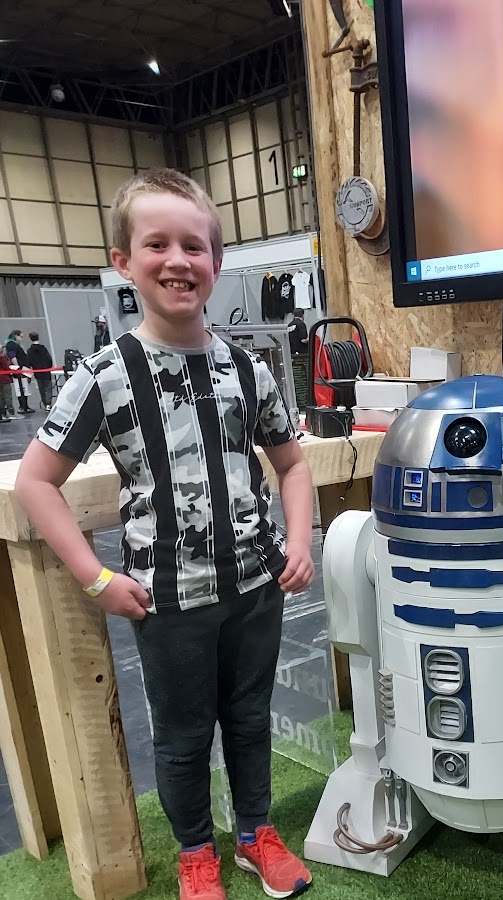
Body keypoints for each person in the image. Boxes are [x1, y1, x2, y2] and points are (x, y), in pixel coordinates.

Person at [15, 168, 317, 900]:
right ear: (124, 260)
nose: (178, 260)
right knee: (182, 737)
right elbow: (35, 481)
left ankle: (255, 835)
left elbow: (293, 464)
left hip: (255, 589)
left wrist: (300, 542)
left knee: (249, 719)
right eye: (157, 245)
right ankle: (194, 853)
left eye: (194, 245)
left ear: (217, 260)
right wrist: (95, 578)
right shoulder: (105, 375)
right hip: (169, 601)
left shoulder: (247, 369)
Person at [5, 329, 34, 414]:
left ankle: (25, 405)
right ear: (15, 336)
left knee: (25, 387)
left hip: (24, 368)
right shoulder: (11, 344)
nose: (21, 338)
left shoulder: (16, 344)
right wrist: (18, 368)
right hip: (20, 369)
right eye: (20, 336)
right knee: (21, 387)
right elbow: (13, 357)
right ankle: (22, 406)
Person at [25, 331, 54, 411]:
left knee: (41, 389)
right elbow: (49, 359)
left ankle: (45, 404)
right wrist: (48, 367)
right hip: (46, 371)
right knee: (48, 388)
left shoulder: (29, 350)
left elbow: (29, 362)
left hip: (37, 372)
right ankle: (48, 403)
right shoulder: (43, 348)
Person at [0, 346, 13, 423]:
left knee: (1, 397)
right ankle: (11, 412)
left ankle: (2, 413)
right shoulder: (2, 358)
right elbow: (6, 367)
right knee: (7, 396)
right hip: (4, 379)